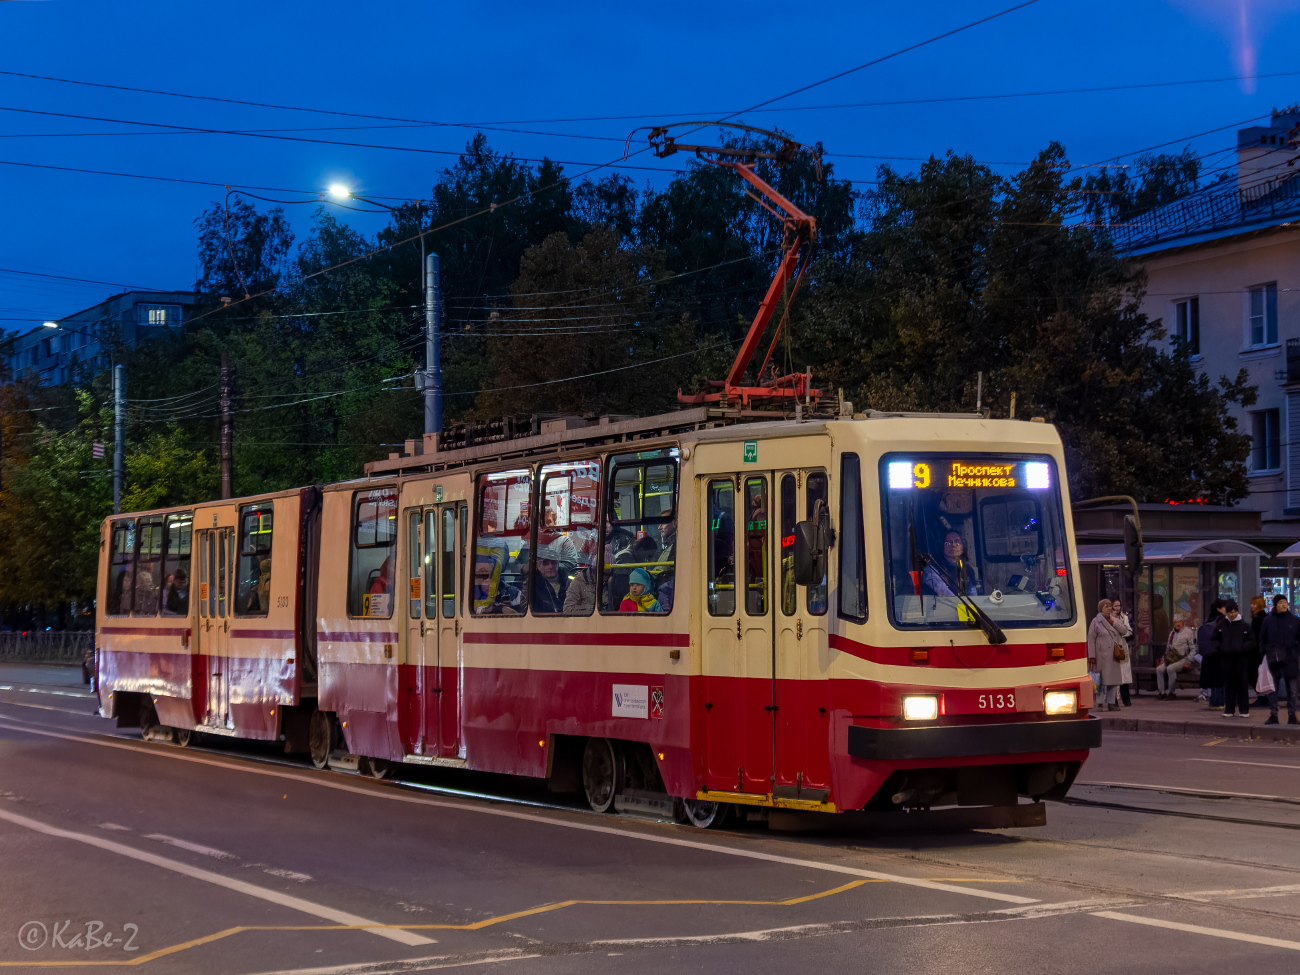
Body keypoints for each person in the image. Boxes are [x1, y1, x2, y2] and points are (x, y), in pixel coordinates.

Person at [1259, 594, 1300, 725]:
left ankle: (1292, 715)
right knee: (1273, 689)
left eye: (1285, 602)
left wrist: (1296, 652)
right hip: (1274, 658)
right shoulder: (1268, 621)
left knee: (1292, 690)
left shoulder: (1294, 620)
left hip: (1290, 658)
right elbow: (1262, 639)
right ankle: (1273, 714)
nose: (1284, 605)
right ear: (1275, 604)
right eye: (1281, 602)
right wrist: (1265, 653)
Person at [1211, 599, 1256, 718]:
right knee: (1229, 684)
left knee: (1242, 683)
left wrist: (1242, 647)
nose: (1232, 614)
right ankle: (1229, 709)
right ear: (1226, 612)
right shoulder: (1221, 625)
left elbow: (1252, 641)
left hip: (1242, 658)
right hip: (1227, 658)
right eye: (1230, 612)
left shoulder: (1244, 625)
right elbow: (1215, 639)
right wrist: (1221, 648)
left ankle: (1244, 709)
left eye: (1234, 611)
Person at [1088, 598, 1132, 711]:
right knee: (1100, 680)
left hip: (1114, 654)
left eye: (1109, 606)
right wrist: (1092, 655)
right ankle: (1100, 703)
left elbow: (1124, 631)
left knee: (1113, 680)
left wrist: (1115, 624)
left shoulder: (1114, 620)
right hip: (1100, 655)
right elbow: (1091, 639)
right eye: (1106, 606)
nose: (1108, 608)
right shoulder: (1095, 621)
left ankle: (1111, 703)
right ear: (1100, 608)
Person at [922, 530, 980, 597]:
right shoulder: (932, 569)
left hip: (965, 606)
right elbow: (943, 591)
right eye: (948, 543)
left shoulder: (968, 569)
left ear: (963, 546)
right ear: (941, 546)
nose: (953, 545)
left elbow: (973, 594)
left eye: (957, 542)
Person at [1156, 615, 1196, 700]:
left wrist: (1189, 660)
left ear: (1182, 622)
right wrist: (1163, 659)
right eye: (1175, 622)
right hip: (1171, 658)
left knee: (1170, 669)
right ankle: (1162, 692)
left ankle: (1172, 692)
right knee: (1159, 669)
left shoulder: (1188, 632)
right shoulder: (1172, 633)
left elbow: (1193, 648)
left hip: (1183, 658)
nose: (1177, 624)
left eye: (1179, 622)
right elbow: (1168, 648)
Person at [1198, 600, 1226, 708]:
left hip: (1208, 654)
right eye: (1224, 607)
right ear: (1219, 609)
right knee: (1220, 680)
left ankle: (1214, 703)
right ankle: (1218, 702)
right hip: (1219, 654)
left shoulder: (1208, 620)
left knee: (1214, 680)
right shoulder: (1222, 620)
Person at [532, 542, 570, 615]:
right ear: (538, 566)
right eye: (546, 563)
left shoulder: (569, 583)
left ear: (558, 564)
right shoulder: (532, 585)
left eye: (553, 562)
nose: (550, 566)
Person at [1251, 594, 1270, 707]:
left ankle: (1262, 697)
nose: (1252, 606)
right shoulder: (1258, 618)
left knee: (1257, 674)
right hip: (1258, 650)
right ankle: (1262, 696)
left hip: (1259, 651)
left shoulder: (1261, 619)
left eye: (1254, 604)